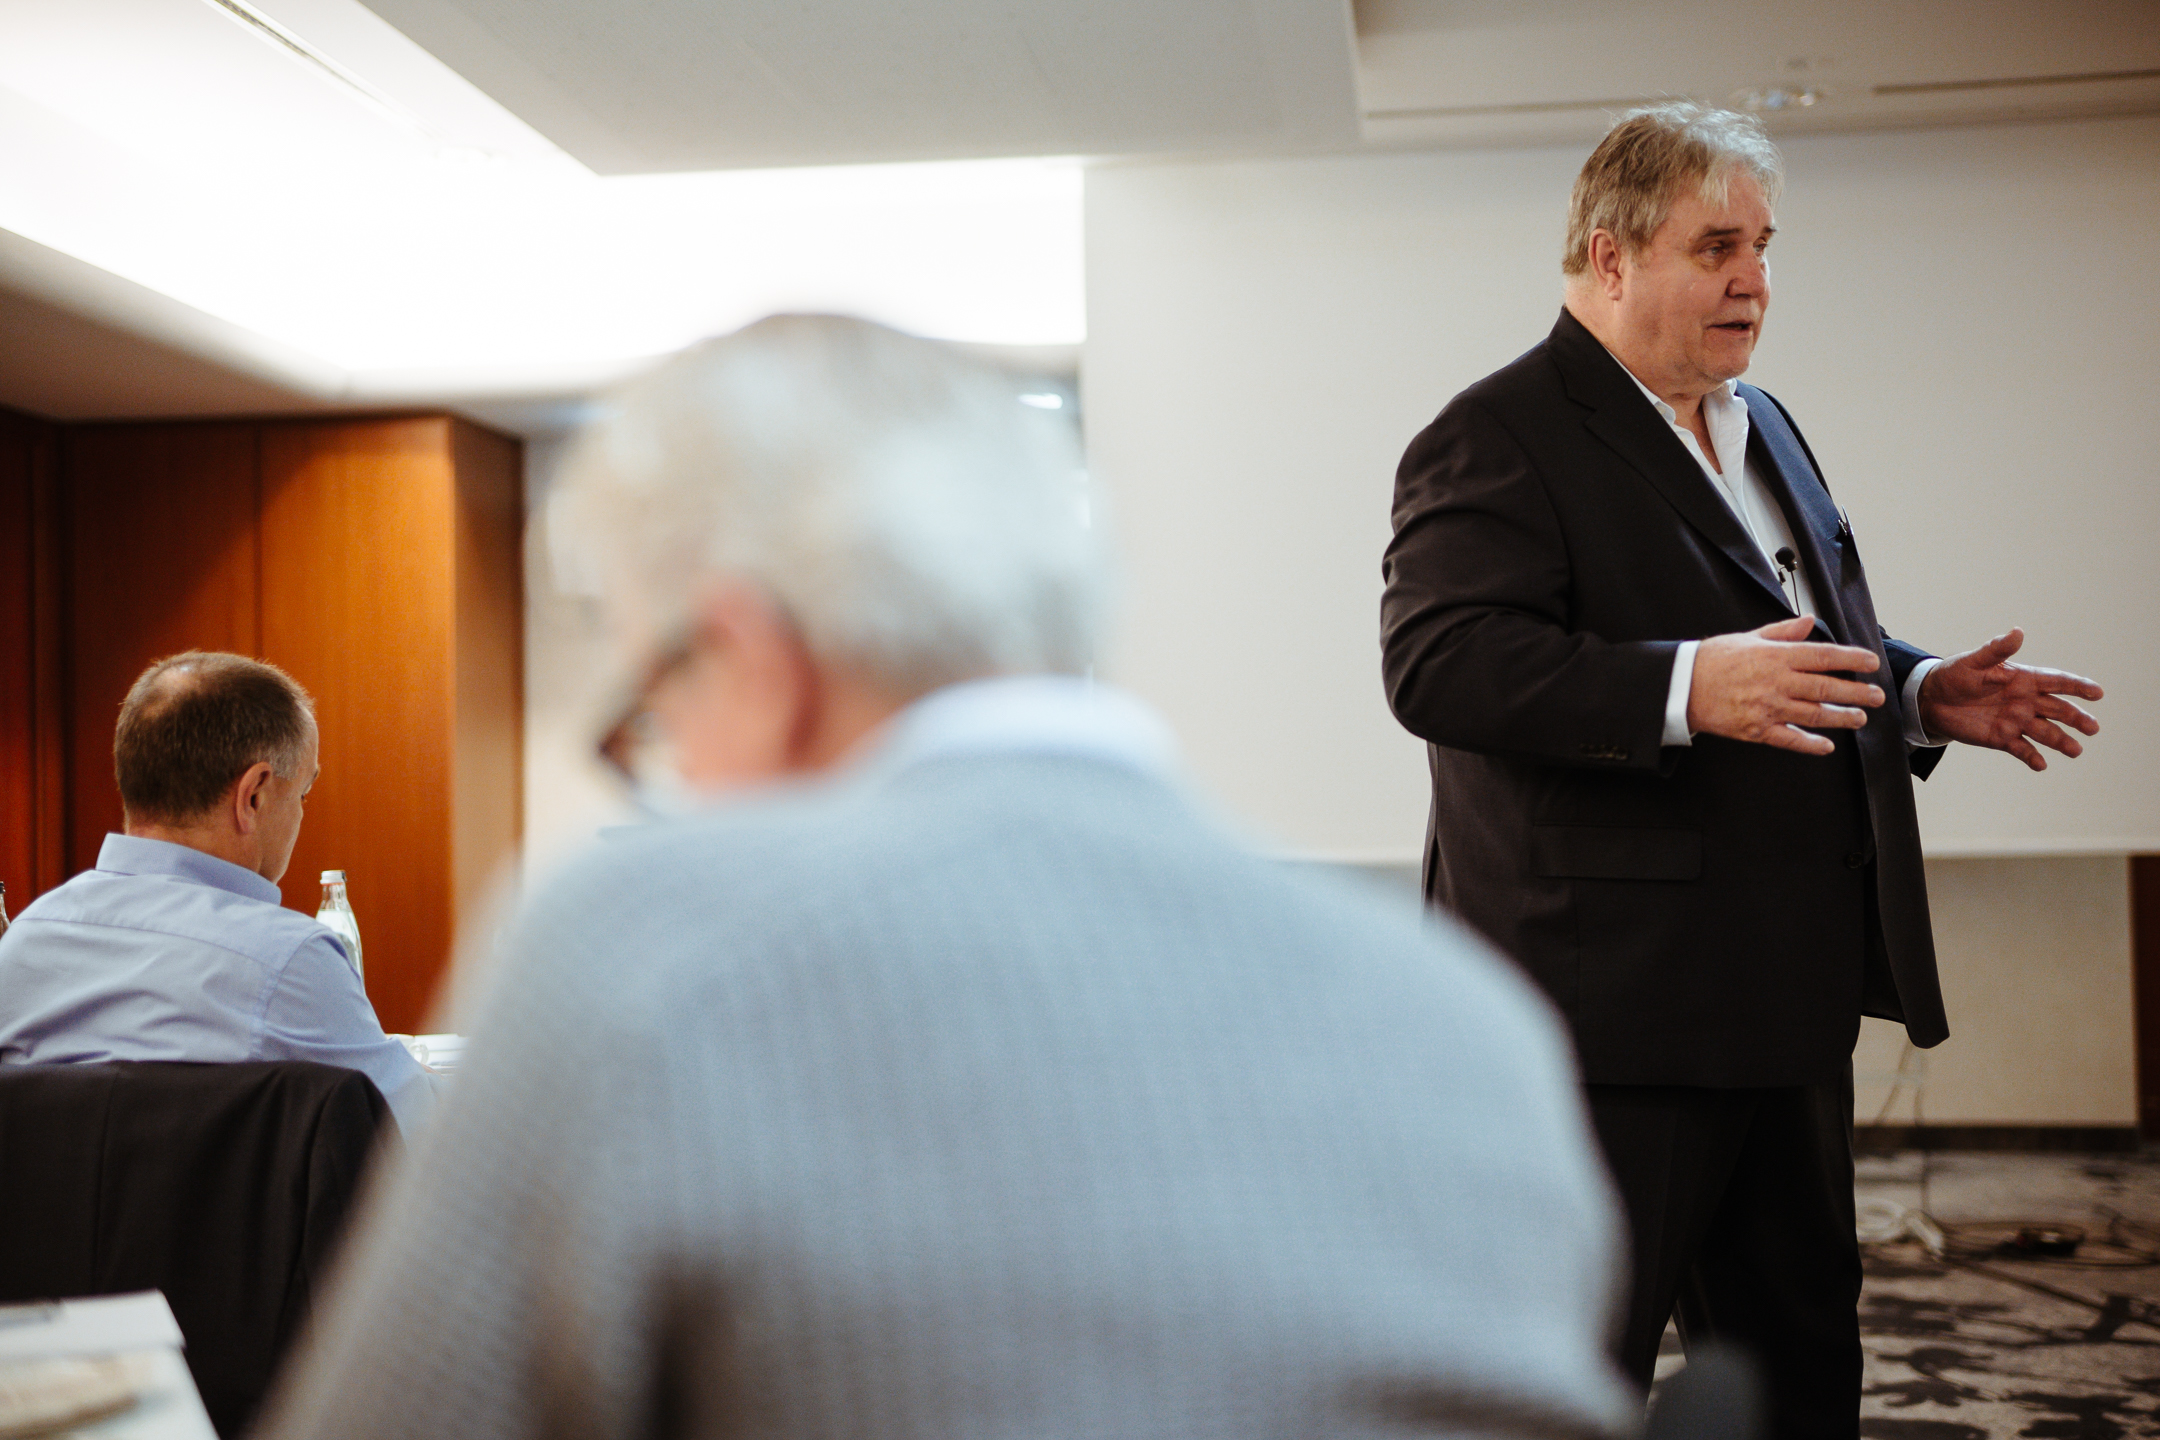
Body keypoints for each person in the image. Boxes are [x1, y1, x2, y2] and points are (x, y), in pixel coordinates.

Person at [257, 314, 1635, 1440]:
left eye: (657, 712)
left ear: (752, 657)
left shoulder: (647, 953)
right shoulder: (1470, 1022)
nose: (671, 772)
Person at [1380, 103, 2103, 1434]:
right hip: (1610, 1017)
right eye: (1718, 247)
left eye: (1764, 247)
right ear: (1610, 257)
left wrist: (1921, 692)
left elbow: (1798, 636)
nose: (1754, 281)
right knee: (1570, 1372)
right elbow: (1441, 665)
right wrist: (1683, 686)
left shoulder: (1760, 422)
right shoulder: (1498, 432)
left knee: (1796, 1361)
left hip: (1783, 991)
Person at [0, 652, 433, 1133]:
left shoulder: (20, 947)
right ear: (254, 795)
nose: (301, 814)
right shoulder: (288, 962)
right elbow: (424, 1133)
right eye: (303, 794)